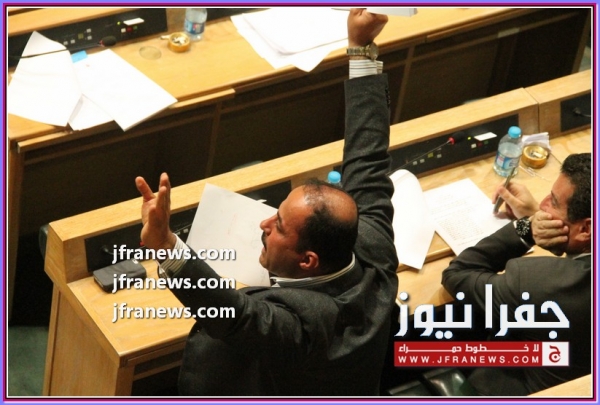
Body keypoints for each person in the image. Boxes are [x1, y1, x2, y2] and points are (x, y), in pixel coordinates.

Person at [134, 9, 399, 396]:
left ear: (308, 261)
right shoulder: (374, 244)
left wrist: (164, 245)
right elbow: (368, 156)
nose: (264, 224)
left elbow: (236, 315)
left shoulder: (307, 325)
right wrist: (361, 49)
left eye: (279, 227)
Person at [441, 153, 591, 396]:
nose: (542, 205)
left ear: (586, 228)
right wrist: (542, 216)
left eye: (553, 202)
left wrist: (526, 228)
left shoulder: (537, 284)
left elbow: (457, 273)